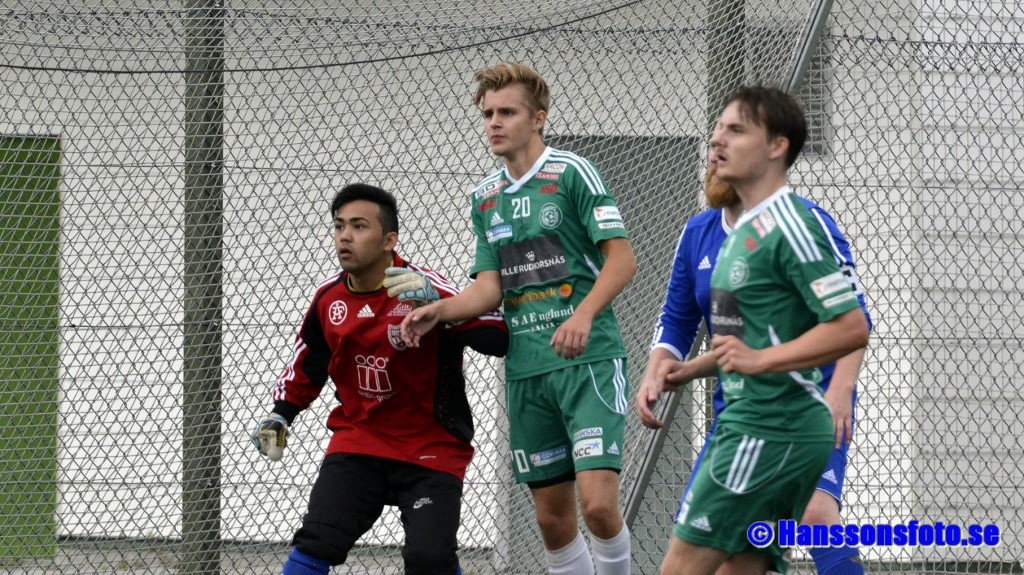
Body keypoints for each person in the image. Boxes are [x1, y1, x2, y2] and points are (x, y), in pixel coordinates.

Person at [400, 62, 637, 575]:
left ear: (538, 119)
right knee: (552, 520)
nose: (494, 122)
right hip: (528, 371)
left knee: (598, 507)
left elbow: (622, 260)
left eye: (507, 112)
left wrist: (583, 315)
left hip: (587, 363)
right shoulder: (485, 197)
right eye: (488, 114)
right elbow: (489, 289)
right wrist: (439, 310)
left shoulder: (572, 172)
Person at [636, 86, 870, 575]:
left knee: (684, 567)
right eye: (718, 128)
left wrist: (825, 385)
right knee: (739, 568)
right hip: (748, 418)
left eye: (736, 130)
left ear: (776, 146)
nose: (716, 140)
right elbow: (736, 340)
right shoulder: (730, 233)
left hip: (771, 424)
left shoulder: (795, 225)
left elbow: (851, 325)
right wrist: (681, 370)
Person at [250, 183, 509, 575]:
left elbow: (498, 337)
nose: (345, 236)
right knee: (316, 543)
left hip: (431, 445)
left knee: (429, 560)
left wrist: (441, 308)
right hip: (360, 439)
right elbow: (309, 364)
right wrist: (280, 414)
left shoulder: (422, 286)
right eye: (339, 226)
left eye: (359, 226)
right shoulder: (328, 299)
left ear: (390, 240)